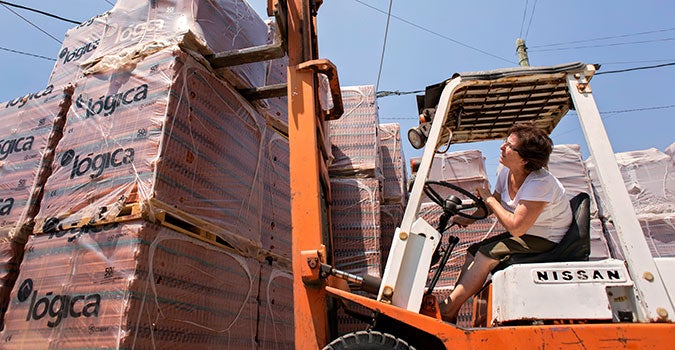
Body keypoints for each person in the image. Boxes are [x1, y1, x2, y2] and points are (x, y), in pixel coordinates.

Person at [438, 121, 572, 323]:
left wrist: (489, 198)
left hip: (546, 237)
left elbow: (516, 228)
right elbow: (493, 205)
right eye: (505, 142)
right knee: (473, 252)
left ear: (525, 160)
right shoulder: (506, 171)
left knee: (485, 256)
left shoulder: (540, 184)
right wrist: (466, 218)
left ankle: (447, 310)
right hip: (529, 232)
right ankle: (452, 310)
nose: (502, 147)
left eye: (510, 146)